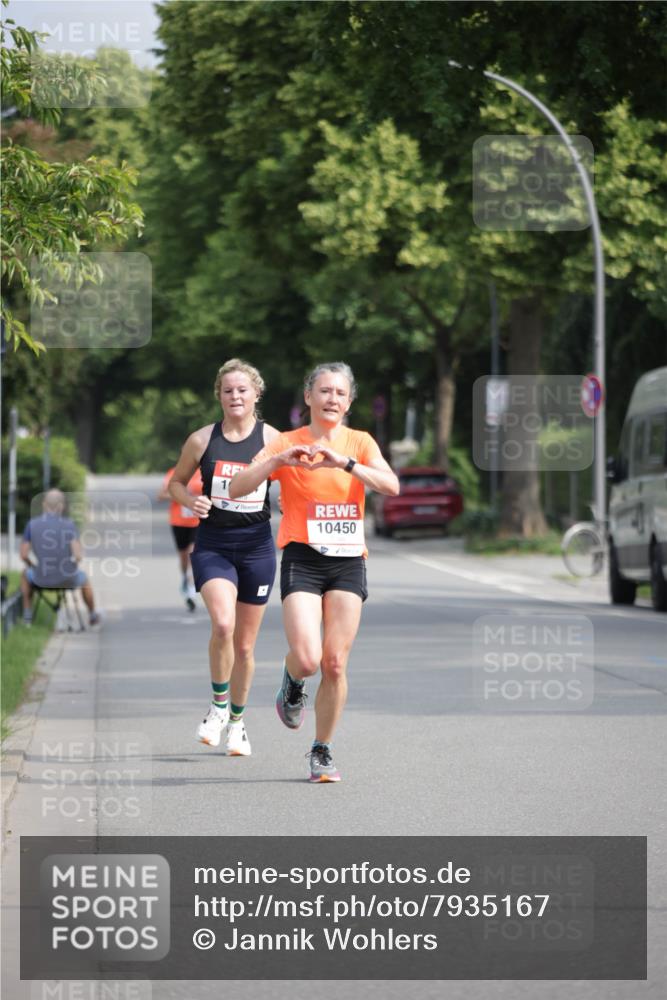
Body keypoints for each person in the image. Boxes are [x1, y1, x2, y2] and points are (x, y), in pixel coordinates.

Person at [229, 362, 399, 782]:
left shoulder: (359, 442)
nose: (332, 399)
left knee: (335, 663)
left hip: (347, 560)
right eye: (324, 391)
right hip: (302, 558)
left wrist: (346, 464)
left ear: (349, 402)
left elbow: (391, 485)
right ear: (308, 397)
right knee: (308, 659)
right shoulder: (287, 442)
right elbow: (237, 487)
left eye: (340, 393)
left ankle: (322, 749)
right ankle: (292, 680)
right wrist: (277, 461)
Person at [168, 359, 279, 757]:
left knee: (245, 647)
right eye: (228, 390)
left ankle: (237, 722)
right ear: (219, 395)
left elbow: (296, 482)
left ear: (256, 394)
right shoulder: (202, 440)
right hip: (214, 544)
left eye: (242, 390)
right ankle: (217, 707)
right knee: (223, 624)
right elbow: (176, 483)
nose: (235, 396)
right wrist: (190, 499)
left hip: (257, 547)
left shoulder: (273, 439)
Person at [20, 488, 101, 626]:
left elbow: (23, 555)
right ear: (61, 506)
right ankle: (93, 615)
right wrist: (72, 566)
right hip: (66, 579)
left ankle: (27, 616)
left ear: (44, 505)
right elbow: (78, 556)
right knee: (84, 579)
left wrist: (32, 566)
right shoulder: (69, 525)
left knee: (24, 575)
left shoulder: (31, 525)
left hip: (40, 577)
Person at [157, 466, 203, 611]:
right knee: (183, 557)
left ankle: (191, 592)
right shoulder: (175, 472)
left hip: (198, 521)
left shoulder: (205, 470)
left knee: (191, 554)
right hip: (178, 521)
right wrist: (183, 496)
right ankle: (184, 577)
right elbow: (161, 495)